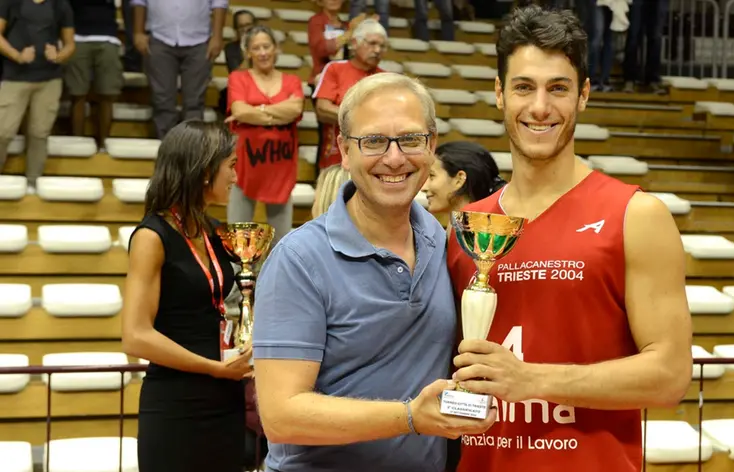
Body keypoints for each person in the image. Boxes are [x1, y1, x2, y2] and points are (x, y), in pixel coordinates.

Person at [446, 6, 693, 471]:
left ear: (583, 95)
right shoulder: (466, 227)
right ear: (499, 94)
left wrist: (532, 379)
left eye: (557, 88)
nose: (540, 107)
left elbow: (670, 375)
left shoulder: (636, 215)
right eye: (523, 87)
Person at [251, 73, 495, 472]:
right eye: (374, 141)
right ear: (344, 151)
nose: (395, 158)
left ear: (431, 146)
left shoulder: (439, 239)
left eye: (411, 140)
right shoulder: (298, 259)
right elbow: (281, 416)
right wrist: (410, 417)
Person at [121, 120, 254, 472]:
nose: (236, 177)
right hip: (176, 404)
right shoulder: (152, 236)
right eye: (231, 166)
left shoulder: (212, 230)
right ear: (204, 169)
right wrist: (213, 368)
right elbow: (136, 336)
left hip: (225, 398)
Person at [225, 25, 304, 247]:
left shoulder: (292, 81)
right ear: (248, 53)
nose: (262, 52)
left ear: (276, 49)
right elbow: (239, 111)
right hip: (244, 166)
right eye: (256, 48)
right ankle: (236, 283)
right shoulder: (238, 78)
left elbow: (296, 110)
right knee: (237, 239)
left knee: (281, 242)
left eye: (266, 46)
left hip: (281, 167)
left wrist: (256, 112)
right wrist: (279, 112)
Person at [0, 0, 75, 191]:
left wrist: (58, 56)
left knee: (39, 134)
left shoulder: (61, 5)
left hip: (49, 80)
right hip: (14, 77)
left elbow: (70, 45)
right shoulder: (9, 2)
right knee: (3, 132)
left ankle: (33, 183)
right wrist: (17, 56)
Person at [131, 0, 226, 139]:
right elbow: (138, 1)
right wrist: (138, 32)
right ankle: (165, 148)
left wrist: (217, 36)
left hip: (199, 41)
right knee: (162, 101)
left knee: (195, 102)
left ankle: (191, 149)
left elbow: (219, 3)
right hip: (159, 38)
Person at [312, 18, 387, 171]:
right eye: (372, 43)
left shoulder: (386, 78)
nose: (378, 50)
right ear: (354, 43)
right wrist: (364, 117)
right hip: (335, 158)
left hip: (374, 159)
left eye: (382, 46)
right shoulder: (334, 69)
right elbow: (322, 109)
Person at [64, 0, 123, 149]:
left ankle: (103, 144)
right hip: (77, 37)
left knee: (107, 94)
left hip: (108, 37)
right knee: (77, 94)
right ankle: (77, 144)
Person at [421, 141, 506, 232]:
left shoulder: (482, 237)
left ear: (459, 180)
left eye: (432, 176)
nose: (423, 188)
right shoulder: (455, 229)